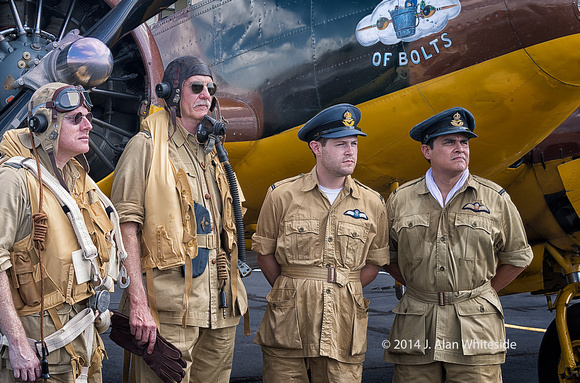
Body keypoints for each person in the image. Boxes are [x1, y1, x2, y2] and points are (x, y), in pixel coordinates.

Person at [110, 55, 248, 383]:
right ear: (172, 93)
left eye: (210, 89)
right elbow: (125, 225)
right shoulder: (144, 148)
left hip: (221, 309)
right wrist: (139, 305)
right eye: (196, 87)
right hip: (169, 312)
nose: (206, 95)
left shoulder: (214, 152)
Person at [383, 107, 533, 382]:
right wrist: (421, 286)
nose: (460, 148)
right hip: (416, 327)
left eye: (464, 142)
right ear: (427, 151)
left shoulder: (495, 199)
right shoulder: (400, 200)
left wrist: (480, 294)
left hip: (475, 329)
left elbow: (518, 256)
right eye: (449, 142)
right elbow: (387, 255)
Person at [251, 103, 389, 382]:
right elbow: (264, 253)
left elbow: (375, 261)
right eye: (341, 144)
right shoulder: (282, 196)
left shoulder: (373, 203)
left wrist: (342, 288)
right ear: (317, 147)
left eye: (353, 143)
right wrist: (292, 290)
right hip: (288, 325)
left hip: (343, 326)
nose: (350, 151)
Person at [0, 82, 126, 382]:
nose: (88, 125)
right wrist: (18, 344)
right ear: (44, 125)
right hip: (38, 356)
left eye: (88, 116)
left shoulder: (78, 178)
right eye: (75, 118)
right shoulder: (14, 180)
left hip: (85, 348)